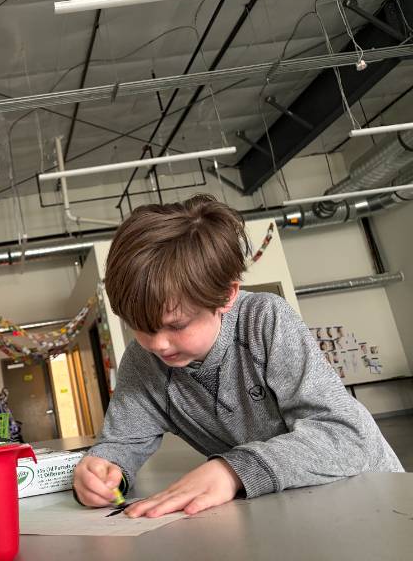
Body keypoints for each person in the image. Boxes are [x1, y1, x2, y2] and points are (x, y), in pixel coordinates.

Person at [73, 194, 403, 518]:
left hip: (375, 497)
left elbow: (347, 438)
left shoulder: (266, 321)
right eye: (139, 327)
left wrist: (232, 470)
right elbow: (122, 442)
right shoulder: (142, 362)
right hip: (289, 509)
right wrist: (104, 471)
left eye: (177, 325)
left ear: (226, 296)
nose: (157, 344)